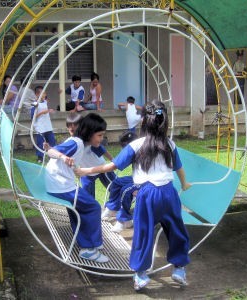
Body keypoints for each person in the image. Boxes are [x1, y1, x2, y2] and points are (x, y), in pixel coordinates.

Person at [74, 101, 192, 290]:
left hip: (147, 194)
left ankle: (141, 274)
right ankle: (179, 268)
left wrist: (87, 170)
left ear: (144, 120)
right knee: (177, 231)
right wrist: (185, 184)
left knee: (144, 233)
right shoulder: (170, 144)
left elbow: (111, 166)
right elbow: (179, 168)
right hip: (169, 193)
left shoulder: (137, 145)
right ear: (164, 121)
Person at [45, 113, 110, 263]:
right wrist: (62, 157)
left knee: (78, 207)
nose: (101, 139)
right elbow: (51, 151)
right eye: (99, 135)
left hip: (60, 184)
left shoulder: (81, 144)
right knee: (93, 207)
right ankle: (89, 249)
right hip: (60, 186)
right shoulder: (76, 143)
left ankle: (83, 239)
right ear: (89, 132)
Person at [102, 130, 140, 233]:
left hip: (146, 181)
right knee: (117, 181)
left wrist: (89, 170)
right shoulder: (135, 148)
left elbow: (114, 166)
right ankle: (112, 208)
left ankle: (123, 220)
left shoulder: (136, 148)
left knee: (126, 190)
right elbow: (120, 163)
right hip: (136, 177)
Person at [33, 91, 56, 163]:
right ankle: (40, 157)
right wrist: (43, 112)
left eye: (45, 93)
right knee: (41, 143)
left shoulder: (45, 102)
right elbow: (33, 116)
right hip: (40, 126)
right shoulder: (34, 104)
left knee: (52, 141)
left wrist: (49, 111)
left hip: (48, 126)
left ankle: (52, 156)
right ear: (37, 94)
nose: (44, 94)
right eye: (43, 93)